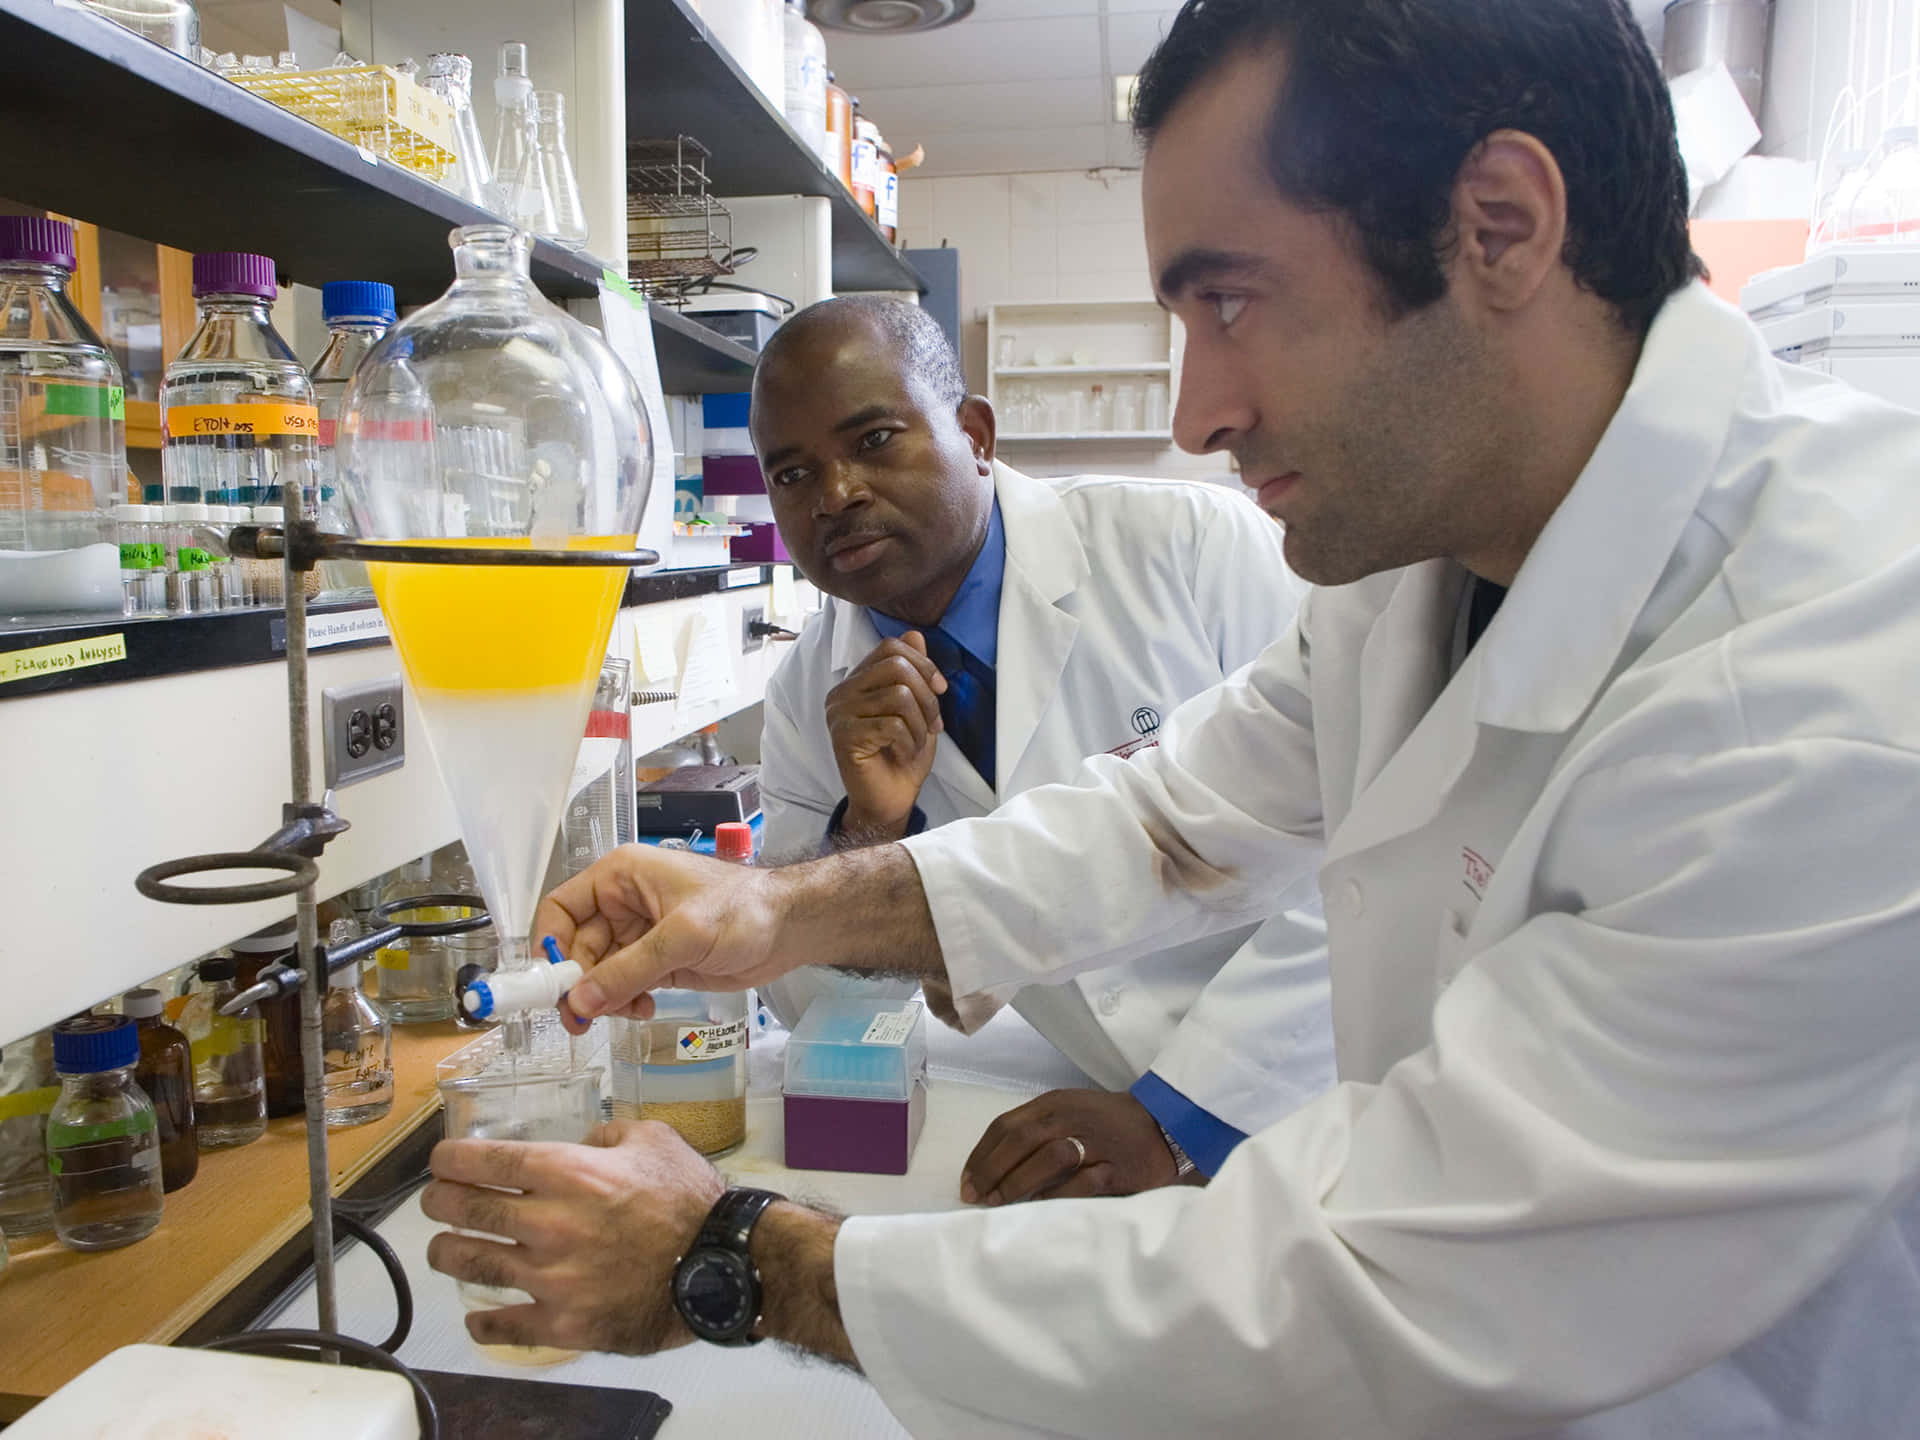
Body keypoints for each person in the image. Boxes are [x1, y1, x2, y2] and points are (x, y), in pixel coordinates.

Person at [422, 1, 1920, 1435]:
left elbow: (1371, 1286)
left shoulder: (1826, 688)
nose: (1196, 408)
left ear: (1501, 228)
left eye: (1232, 301)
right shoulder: (1417, 571)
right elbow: (1159, 821)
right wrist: (773, 912)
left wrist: (743, 1259)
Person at [747, 294, 1333, 1198]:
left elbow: (1362, 853)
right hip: (1095, 1117)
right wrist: (871, 825)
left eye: (872, 442)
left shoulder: (1191, 550)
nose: (835, 496)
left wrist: (1183, 1114)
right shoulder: (804, 698)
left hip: (1318, 1099)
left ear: (975, 434)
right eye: (790, 475)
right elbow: (814, 1013)